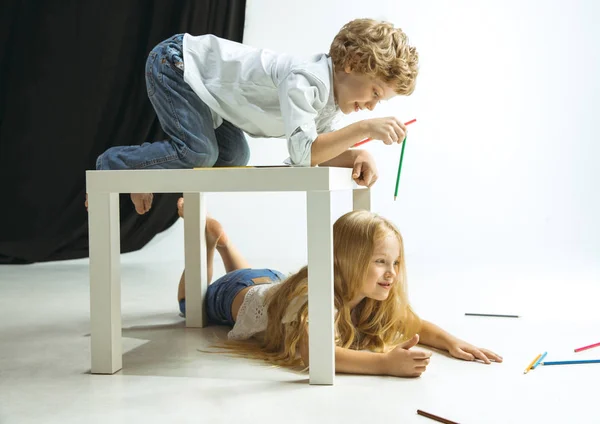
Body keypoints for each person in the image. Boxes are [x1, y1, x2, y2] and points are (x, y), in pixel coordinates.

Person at [94, 19, 419, 215]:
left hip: (211, 98)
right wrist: (363, 130)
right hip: (179, 64)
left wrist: (357, 154)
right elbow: (305, 154)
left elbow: (312, 152)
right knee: (200, 153)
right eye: (375, 93)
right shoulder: (306, 80)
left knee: (236, 155)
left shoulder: (329, 102)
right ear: (354, 62)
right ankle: (119, 165)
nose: (374, 107)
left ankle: (145, 171)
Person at [177, 200, 503, 378]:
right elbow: (313, 353)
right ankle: (208, 245)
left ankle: (226, 244)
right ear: (347, 259)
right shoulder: (313, 297)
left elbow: (410, 323)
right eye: (380, 262)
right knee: (189, 304)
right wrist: (385, 364)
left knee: (267, 292)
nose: (391, 274)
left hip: (272, 284)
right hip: (234, 292)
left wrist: (452, 342)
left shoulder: (363, 293)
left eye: (396, 262)